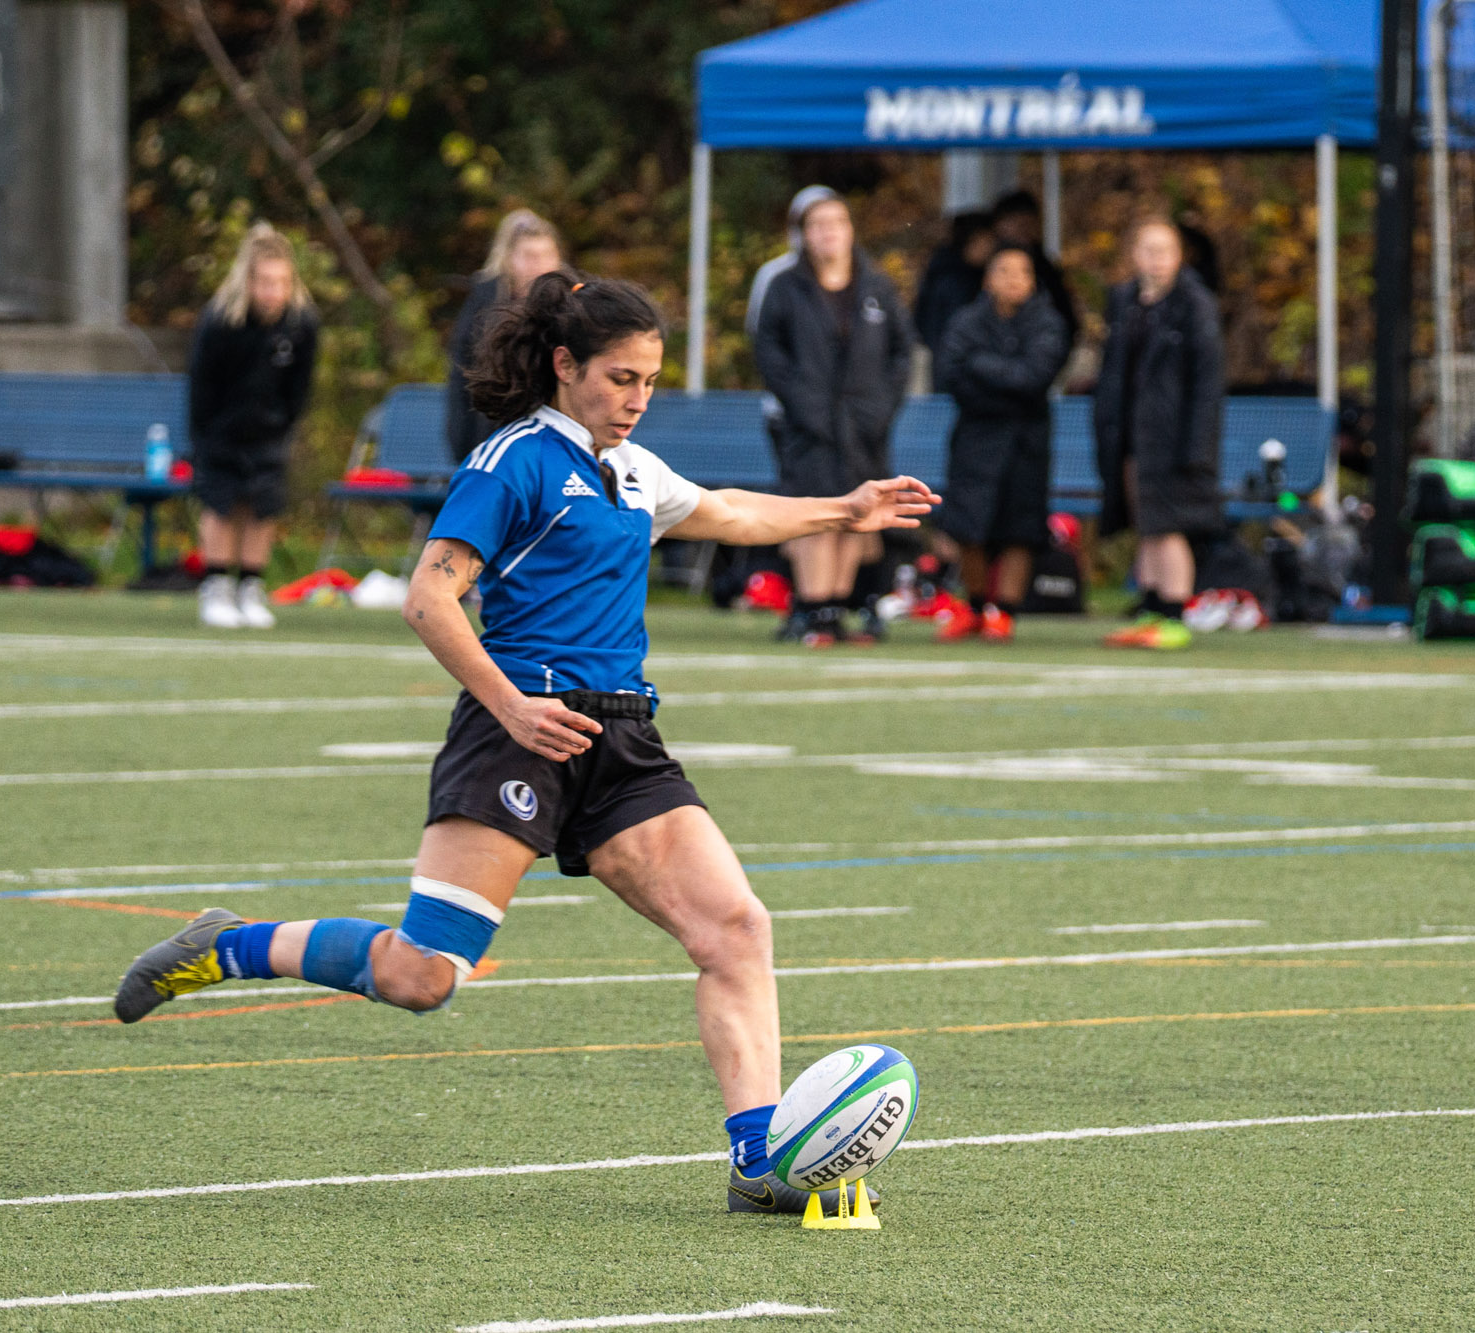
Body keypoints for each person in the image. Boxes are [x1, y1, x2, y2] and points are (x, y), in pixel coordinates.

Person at [112, 270, 939, 1217]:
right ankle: (231, 945)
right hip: (515, 734)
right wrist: (509, 708)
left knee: (737, 929)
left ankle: (759, 1160)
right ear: (563, 365)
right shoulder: (512, 463)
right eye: (619, 378)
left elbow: (728, 511)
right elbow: (430, 598)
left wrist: (846, 508)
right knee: (423, 976)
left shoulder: (633, 471)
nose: (635, 399)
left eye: (649, 382)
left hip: (622, 738)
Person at [753, 190, 914, 645]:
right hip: (808, 422)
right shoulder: (786, 286)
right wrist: (801, 401)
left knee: (855, 510)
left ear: (850, 230)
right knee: (813, 509)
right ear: (803, 235)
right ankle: (811, 604)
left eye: (837, 222)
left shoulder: (877, 287)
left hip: (864, 424)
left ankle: (836, 606)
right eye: (818, 224)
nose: (829, 233)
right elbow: (768, 349)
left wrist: (880, 405)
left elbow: (902, 351)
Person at [1092, 218, 1225, 651]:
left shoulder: (1194, 305)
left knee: (1169, 525)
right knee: (1146, 525)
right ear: (1134, 255)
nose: (1155, 259)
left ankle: (1173, 613)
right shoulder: (1126, 302)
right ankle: (1148, 609)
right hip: (1133, 435)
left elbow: (1207, 383)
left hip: (1175, 439)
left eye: (1164, 250)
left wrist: (1197, 446)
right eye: (1147, 250)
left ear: (1178, 256)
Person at [933, 245, 1069, 641]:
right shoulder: (967, 320)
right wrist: (1002, 380)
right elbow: (950, 374)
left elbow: (1033, 378)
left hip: (1026, 439)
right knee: (968, 524)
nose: (1012, 279)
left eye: (1021, 272)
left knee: (1019, 527)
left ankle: (1004, 611)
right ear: (988, 278)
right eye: (1003, 270)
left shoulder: (1046, 322)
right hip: (975, 436)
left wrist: (981, 366)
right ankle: (974, 605)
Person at [188, 223, 318, 630]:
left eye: (280, 283)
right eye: (264, 282)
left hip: (270, 431)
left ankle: (250, 587)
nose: (272, 292)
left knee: (262, 508)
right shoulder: (221, 320)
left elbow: (299, 388)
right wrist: (204, 437)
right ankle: (216, 587)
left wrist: (282, 424)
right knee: (222, 506)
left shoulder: (301, 324)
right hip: (222, 431)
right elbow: (202, 385)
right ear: (248, 280)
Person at [446, 210, 565, 462]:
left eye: (546, 255)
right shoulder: (486, 303)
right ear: (509, 259)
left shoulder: (569, 307)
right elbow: (462, 372)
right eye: (530, 256)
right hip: (490, 429)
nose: (540, 265)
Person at [745, 186, 845, 473]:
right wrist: (799, 399)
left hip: (846, 417)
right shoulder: (776, 276)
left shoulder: (860, 280)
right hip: (788, 414)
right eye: (816, 223)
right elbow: (762, 340)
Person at [990, 189, 1078, 336]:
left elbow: (1065, 320)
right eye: (1018, 224)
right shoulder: (978, 266)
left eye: (1025, 272)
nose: (1013, 279)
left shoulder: (1045, 268)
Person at [915, 210, 996, 366]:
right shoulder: (953, 281)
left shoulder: (947, 271)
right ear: (974, 240)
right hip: (952, 368)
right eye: (989, 240)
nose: (992, 248)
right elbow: (940, 334)